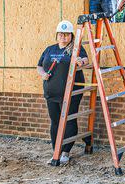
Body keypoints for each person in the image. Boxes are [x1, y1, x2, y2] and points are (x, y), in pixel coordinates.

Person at [37, 20, 90, 165]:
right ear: (57, 35)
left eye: (67, 35)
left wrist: (81, 61)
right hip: (51, 92)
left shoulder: (76, 48)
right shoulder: (49, 49)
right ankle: (56, 151)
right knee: (55, 122)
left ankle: (66, 151)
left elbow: (85, 60)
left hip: (71, 93)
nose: (63, 37)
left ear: (71, 36)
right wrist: (42, 74)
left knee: (69, 120)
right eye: (61, 34)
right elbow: (39, 66)